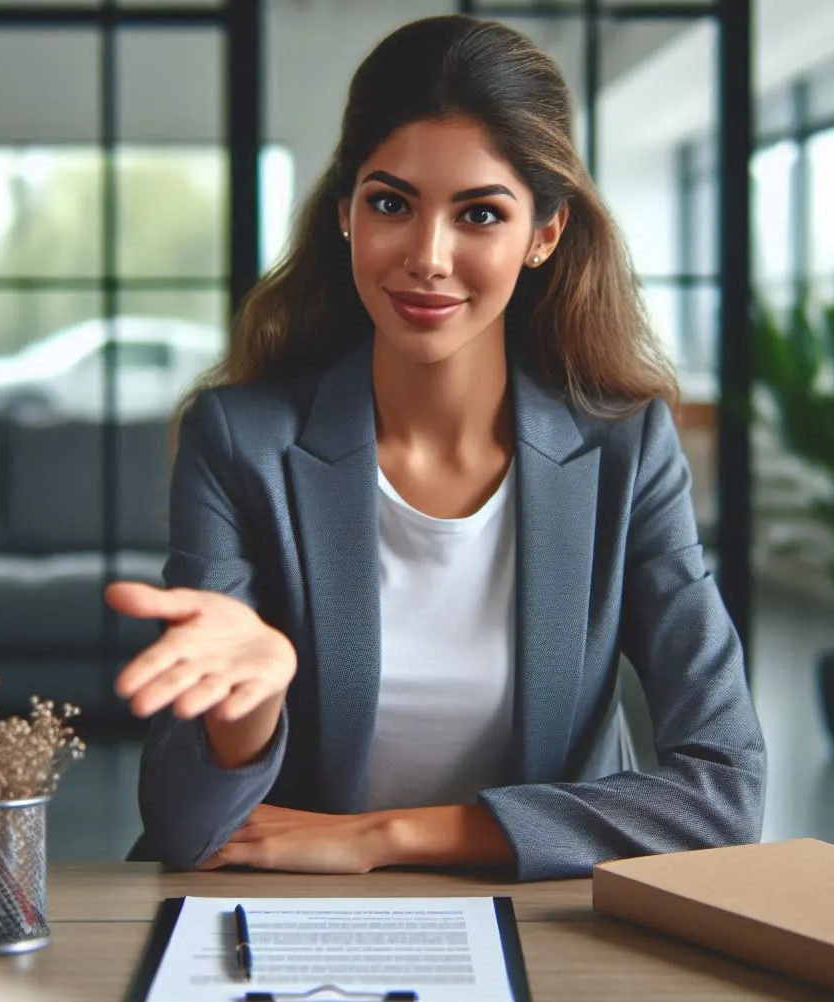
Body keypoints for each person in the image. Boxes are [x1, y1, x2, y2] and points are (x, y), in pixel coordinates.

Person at [106, 14, 766, 882]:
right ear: (345, 212)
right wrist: (247, 716)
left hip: (546, 922)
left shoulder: (626, 450)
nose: (427, 256)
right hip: (298, 924)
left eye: (480, 214)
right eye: (391, 203)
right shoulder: (241, 441)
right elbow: (185, 831)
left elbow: (725, 791)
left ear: (545, 234)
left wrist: (386, 836)